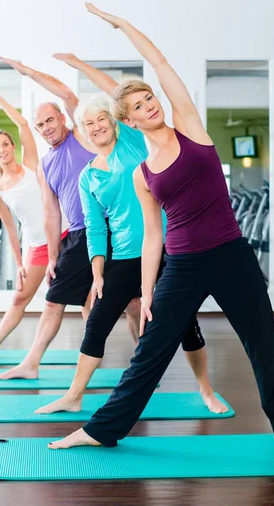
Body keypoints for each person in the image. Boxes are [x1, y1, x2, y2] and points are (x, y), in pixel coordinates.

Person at [50, 3, 274, 464]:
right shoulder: (142, 172)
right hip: (184, 264)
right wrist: (148, 291)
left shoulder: (190, 127)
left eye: (149, 98)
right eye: (137, 107)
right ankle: (102, 430)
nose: (149, 106)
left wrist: (122, 25)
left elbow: (160, 63)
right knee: (149, 353)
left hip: (232, 255)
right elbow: (153, 237)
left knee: (263, 348)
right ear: (128, 122)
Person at [35, 86, 226, 415]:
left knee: (186, 325)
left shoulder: (133, 143)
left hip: (165, 248)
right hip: (123, 255)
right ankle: (74, 395)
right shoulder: (88, 176)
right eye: (89, 124)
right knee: (96, 323)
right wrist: (97, 274)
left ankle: (206, 389)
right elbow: (95, 229)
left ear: (114, 121)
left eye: (101, 120)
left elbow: (123, 101)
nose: (96, 127)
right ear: (83, 131)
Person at [0, 57, 138, 381]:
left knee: (132, 304)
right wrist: (54, 254)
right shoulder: (45, 165)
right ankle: (31, 363)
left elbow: (69, 95)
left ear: (61, 118)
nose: (45, 129)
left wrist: (29, 73)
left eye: (49, 121)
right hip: (77, 235)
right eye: (39, 125)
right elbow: (51, 211)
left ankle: (144, 367)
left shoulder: (82, 135)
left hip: (113, 230)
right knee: (54, 301)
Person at [0, 85, 67, 361]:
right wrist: (20, 263)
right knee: (19, 298)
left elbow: (22, 123)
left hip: (64, 236)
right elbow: (11, 229)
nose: (2, 149)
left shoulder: (31, 164)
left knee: (81, 298)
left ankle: (93, 352)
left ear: (12, 147)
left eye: (5, 144)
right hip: (36, 245)